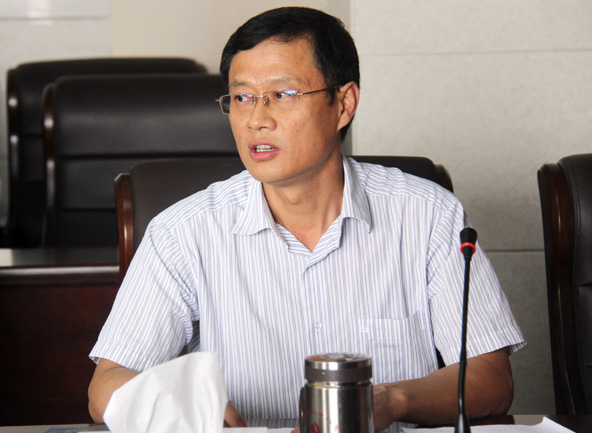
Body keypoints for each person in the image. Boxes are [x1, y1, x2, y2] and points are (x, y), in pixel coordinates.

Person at [88, 6, 525, 432]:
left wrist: (390, 401)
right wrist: (177, 401)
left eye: (283, 95)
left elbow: (491, 379)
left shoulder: (429, 215)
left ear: (344, 104)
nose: (256, 120)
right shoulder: (182, 232)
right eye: (242, 97)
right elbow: (106, 386)